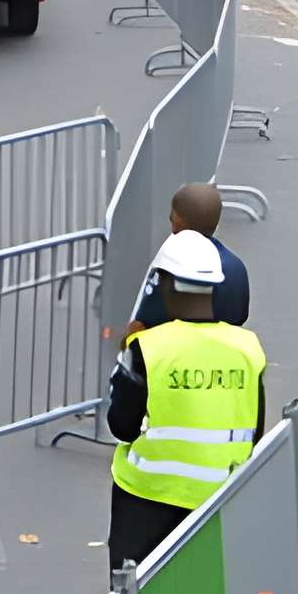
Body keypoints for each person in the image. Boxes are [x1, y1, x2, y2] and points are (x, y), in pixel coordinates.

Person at [108, 229, 268, 569]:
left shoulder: (147, 348)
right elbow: (254, 429)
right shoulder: (247, 348)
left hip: (147, 497)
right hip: (223, 494)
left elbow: (121, 425)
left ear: (166, 283)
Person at [128, 183, 250, 332]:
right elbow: (239, 319)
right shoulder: (237, 268)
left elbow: (142, 325)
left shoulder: (171, 267)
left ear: (178, 221)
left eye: (173, 217)